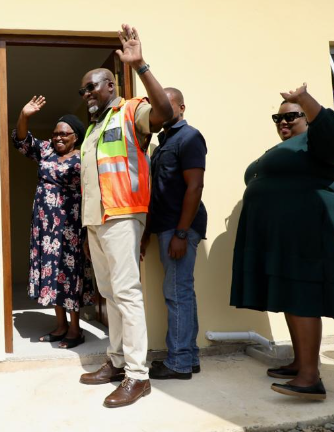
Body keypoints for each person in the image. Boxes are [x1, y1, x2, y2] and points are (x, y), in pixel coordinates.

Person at [230, 83, 334, 400]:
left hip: (306, 231)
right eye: (277, 118)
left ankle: (311, 378)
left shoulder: (319, 140)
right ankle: (301, 362)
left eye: (292, 116)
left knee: (302, 295)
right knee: (289, 294)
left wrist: (304, 98)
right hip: (281, 234)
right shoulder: (289, 148)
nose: (283, 122)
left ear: (309, 118)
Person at [77, 24, 174, 408]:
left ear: (112, 86)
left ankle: (138, 375)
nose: (87, 94)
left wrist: (141, 66)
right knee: (109, 294)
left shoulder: (129, 111)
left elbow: (164, 112)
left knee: (127, 294)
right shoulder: (92, 130)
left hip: (122, 215)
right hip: (96, 221)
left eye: (93, 87)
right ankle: (116, 362)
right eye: (82, 90)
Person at [12, 95, 95, 349]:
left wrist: (88, 231)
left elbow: (92, 192)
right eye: (56, 133)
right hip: (45, 227)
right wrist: (24, 115)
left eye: (64, 134)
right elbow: (22, 140)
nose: (58, 138)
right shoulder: (46, 150)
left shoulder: (83, 159)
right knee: (53, 274)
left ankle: (75, 329)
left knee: (70, 275)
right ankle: (60, 326)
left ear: (76, 136)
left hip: (70, 227)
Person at [140, 87, 207, 380]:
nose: (163, 109)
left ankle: (178, 362)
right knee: (182, 292)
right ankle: (189, 357)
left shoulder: (189, 137)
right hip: (166, 225)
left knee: (176, 293)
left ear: (182, 107)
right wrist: (146, 232)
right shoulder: (162, 142)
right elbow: (158, 191)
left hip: (180, 227)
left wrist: (181, 233)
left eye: (169, 104)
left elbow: (195, 186)